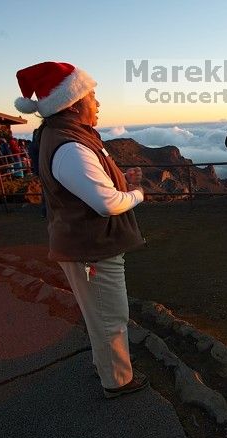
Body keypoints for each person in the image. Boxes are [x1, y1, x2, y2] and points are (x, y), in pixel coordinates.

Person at [14, 61, 148, 398]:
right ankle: (118, 381)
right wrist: (136, 194)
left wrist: (120, 180)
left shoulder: (65, 136)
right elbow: (105, 203)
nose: (98, 103)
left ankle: (104, 366)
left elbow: (89, 184)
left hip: (80, 243)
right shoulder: (70, 144)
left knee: (98, 312)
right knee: (111, 316)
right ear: (73, 103)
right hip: (91, 247)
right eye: (92, 96)